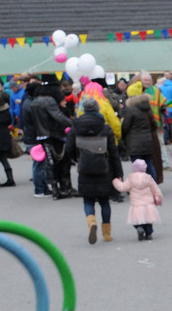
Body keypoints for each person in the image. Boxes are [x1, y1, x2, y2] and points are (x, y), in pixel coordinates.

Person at [66, 96, 123, 244]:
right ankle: (107, 233)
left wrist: (76, 158)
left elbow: (69, 148)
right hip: (103, 168)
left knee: (88, 200)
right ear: (97, 110)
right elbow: (114, 152)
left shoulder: (76, 127)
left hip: (85, 168)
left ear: (84, 110)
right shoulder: (105, 127)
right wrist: (118, 173)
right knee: (104, 201)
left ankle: (91, 221)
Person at [113, 158, 162, 241]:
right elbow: (156, 189)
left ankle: (139, 228)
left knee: (136, 220)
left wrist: (116, 181)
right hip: (148, 204)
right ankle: (148, 233)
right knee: (148, 220)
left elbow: (122, 187)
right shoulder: (148, 178)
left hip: (136, 205)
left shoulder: (131, 178)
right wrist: (159, 197)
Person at [121, 92, 159, 182]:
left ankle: (138, 185)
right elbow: (154, 124)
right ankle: (153, 185)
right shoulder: (147, 109)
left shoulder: (130, 110)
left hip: (134, 143)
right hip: (148, 141)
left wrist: (123, 137)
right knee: (149, 164)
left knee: (137, 165)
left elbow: (125, 126)